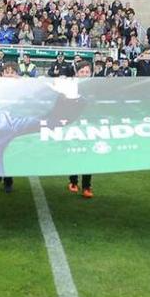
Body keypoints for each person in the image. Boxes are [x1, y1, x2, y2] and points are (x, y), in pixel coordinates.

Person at [68, 61, 94, 198]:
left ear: (91, 73)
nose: (84, 74)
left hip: (89, 126)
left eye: (87, 72)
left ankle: (87, 186)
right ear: (76, 73)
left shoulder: (95, 87)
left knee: (88, 155)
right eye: (82, 72)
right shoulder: (70, 87)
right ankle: (73, 181)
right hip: (74, 125)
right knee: (74, 153)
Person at [0, 62, 20, 193]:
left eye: (12, 72)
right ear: (2, 74)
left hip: (13, 125)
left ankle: (8, 181)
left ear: (17, 74)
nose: (9, 75)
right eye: (7, 72)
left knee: (9, 153)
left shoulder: (22, 87)